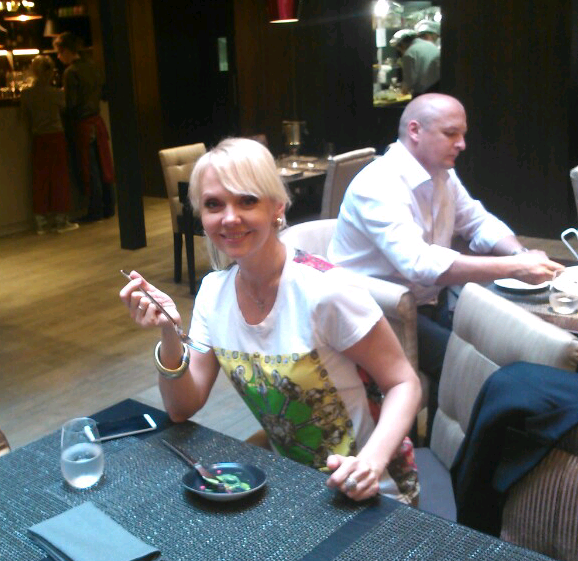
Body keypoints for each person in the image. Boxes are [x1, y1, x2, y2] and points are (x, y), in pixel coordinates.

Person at [120, 137, 421, 504]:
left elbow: (404, 382)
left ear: (277, 207)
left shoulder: (326, 290)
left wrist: (370, 463)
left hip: (372, 491)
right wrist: (169, 332)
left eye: (247, 200)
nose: (229, 218)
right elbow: (182, 408)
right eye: (214, 204)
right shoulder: (213, 293)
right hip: (292, 485)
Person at [327, 93, 564, 427]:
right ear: (415, 131)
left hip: (425, 301)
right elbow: (419, 263)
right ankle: (450, 445)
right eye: (451, 134)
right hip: (376, 312)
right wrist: (515, 268)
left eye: (462, 134)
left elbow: (478, 222)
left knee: (495, 343)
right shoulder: (378, 183)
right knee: (468, 366)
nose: (462, 144)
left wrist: (519, 254)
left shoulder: (442, 174)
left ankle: (452, 436)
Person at [52, 32, 115, 222]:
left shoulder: (71, 72)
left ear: (66, 50)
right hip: (97, 120)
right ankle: (109, 207)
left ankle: (95, 210)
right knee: (104, 165)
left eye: (59, 52)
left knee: (90, 168)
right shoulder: (93, 67)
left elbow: (70, 104)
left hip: (82, 124)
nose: (58, 56)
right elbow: (104, 94)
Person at [20, 54, 77, 235]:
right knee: (59, 178)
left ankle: (41, 222)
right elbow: (66, 109)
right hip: (56, 136)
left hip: (38, 138)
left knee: (40, 179)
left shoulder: (27, 95)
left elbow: (23, 117)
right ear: (51, 72)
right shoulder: (56, 94)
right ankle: (61, 220)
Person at [390, 28, 440, 96]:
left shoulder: (410, 53)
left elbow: (408, 82)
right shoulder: (431, 45)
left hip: (422, 94)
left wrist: (401, 92)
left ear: (402, 45)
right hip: (438, 90)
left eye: (399, 49)